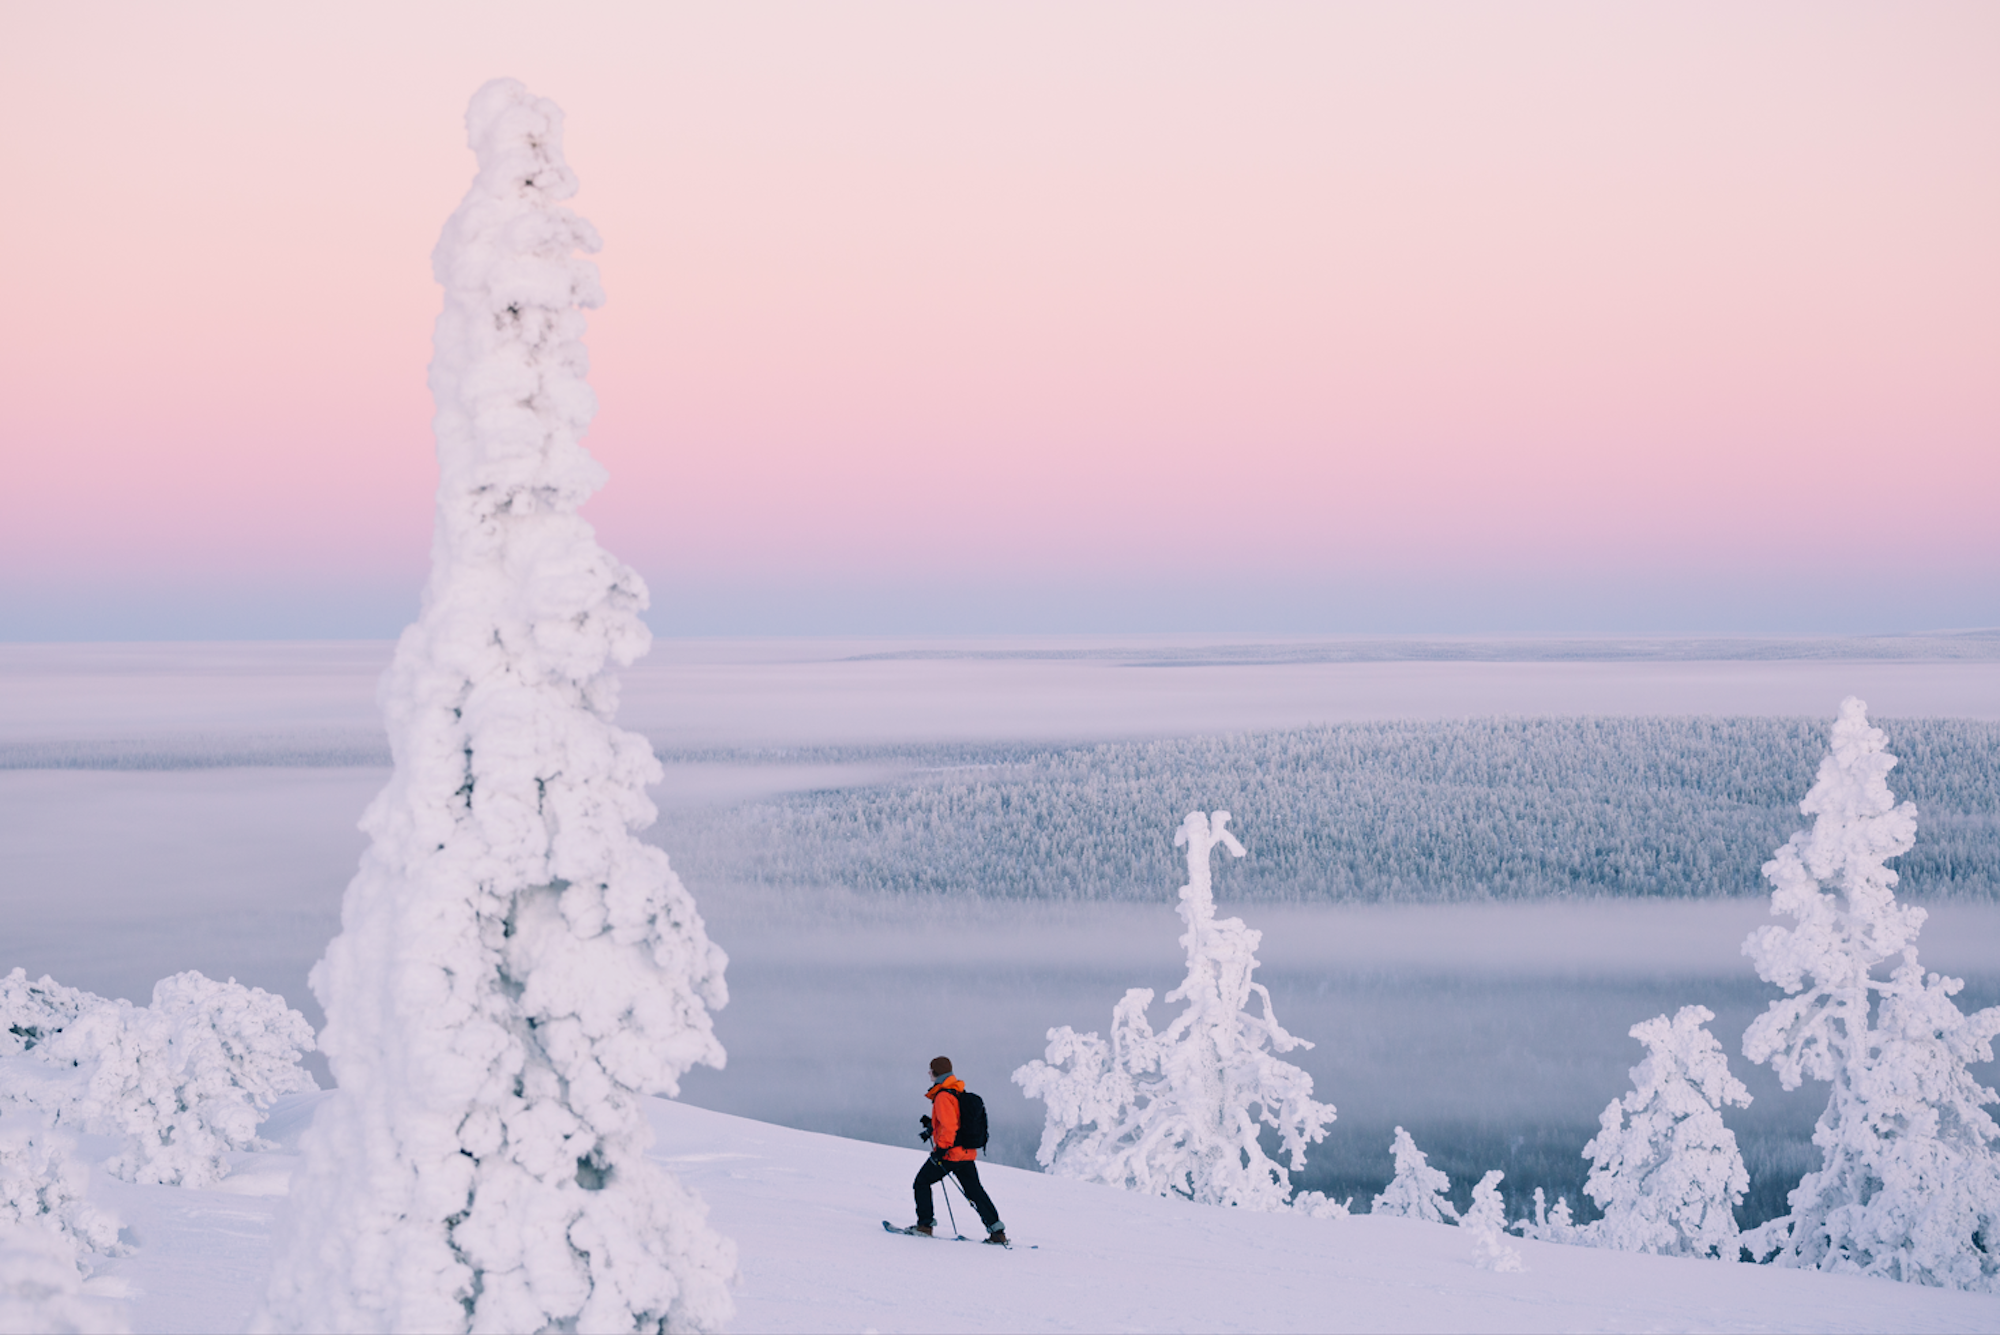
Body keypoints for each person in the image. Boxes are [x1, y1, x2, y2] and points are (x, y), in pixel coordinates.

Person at [910, 1056, 1007, 1244]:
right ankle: (997, 1232)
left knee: (921, 1183)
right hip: (966, 1154)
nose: (929, 1074)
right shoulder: (957, 1092)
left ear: (937, 1072)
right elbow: (955, 1122)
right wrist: (931, 1126)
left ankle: (925, 1226)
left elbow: (949, 1127)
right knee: (975, 1191)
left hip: (949, 1154)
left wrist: (940, 1150)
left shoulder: (943, 1096)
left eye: (930, 1071)